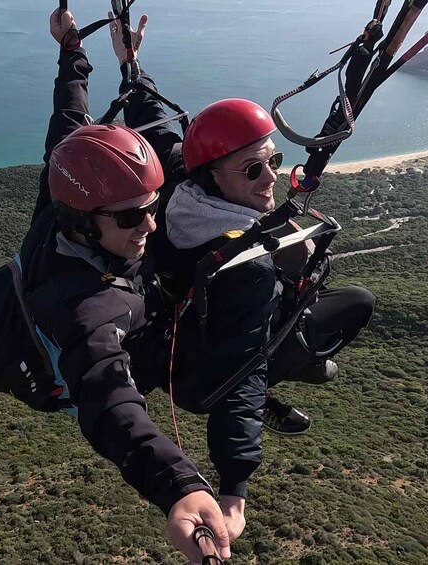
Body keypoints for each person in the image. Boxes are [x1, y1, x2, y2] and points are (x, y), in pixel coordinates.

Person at [105, 13, 375, 540]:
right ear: (213, 174)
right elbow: (244, 369)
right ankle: (288, 369)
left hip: (180, 344)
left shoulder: (176, 182)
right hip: (205, 379)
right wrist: (235, 489)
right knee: (355, 306)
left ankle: (285, 364)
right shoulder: (243, 266)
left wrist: (129, 63)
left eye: (272, 160)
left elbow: (153, 116)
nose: (270, 176)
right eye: (253, 169)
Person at [22, 8, 232, 561]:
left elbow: (70, 112)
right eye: (132, 217)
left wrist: (83, 52)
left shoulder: (65, 188)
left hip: (135, 296)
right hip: (134, 347)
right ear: (86, 223)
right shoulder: (85, 307)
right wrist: (179, 488)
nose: (150, 224)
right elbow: (110, 401)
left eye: (152, 207)